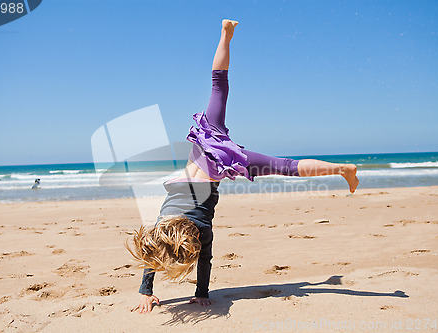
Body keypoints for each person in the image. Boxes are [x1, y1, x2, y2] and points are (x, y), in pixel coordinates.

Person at [126, 19, 359, 314]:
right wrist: (152, 289)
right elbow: (154, 250)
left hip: (221, 164)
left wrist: (192, 292)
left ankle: (342, 170)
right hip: (208, 143)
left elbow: (195, 258)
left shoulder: (200, 232)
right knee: (218, 84)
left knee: (285, 167)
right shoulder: (162, 224)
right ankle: (226, 33)